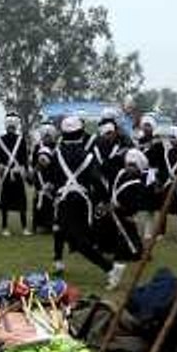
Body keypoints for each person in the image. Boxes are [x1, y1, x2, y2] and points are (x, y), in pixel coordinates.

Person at [46, 115, 122, 289]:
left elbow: (51, 178)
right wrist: (103, 199)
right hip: (82, 201)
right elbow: (97, 179)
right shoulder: (87, 155)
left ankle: (111, 268)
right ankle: (59, 261)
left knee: (79, 242)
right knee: (67, 234)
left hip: (65, 201)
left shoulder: (56, 154)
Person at [97, 148, 148, 266]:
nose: (130, 168)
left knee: (129, 244)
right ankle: (106, 249)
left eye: (133, 166)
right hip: (112, 213)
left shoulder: (138, 184)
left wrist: (120, 207)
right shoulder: (120, 173)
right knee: (103, 229)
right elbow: (105, 168)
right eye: (129, 164)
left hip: (125, 215)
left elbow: (135, 203)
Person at [0, 112, 31, 236]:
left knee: (22, 202)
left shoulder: (21, 141)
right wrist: (0, 168)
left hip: (18, 174)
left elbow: (24, 159)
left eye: (12, 126)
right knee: (5, 202)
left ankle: (24, 227)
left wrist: (24, 171)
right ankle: (4, 227)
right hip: (5, 175)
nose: (11, 127)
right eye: (9, 126)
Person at [31, 122, 58, 234]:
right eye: (45, 135)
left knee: (53, 202)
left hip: (54, 177)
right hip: (40, 178)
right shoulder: (37, 147)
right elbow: (34, 163)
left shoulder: (57, 147)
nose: (47, 138)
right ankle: (39, 225)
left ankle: (52, 224)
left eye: (49, 135)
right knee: (39, 201)